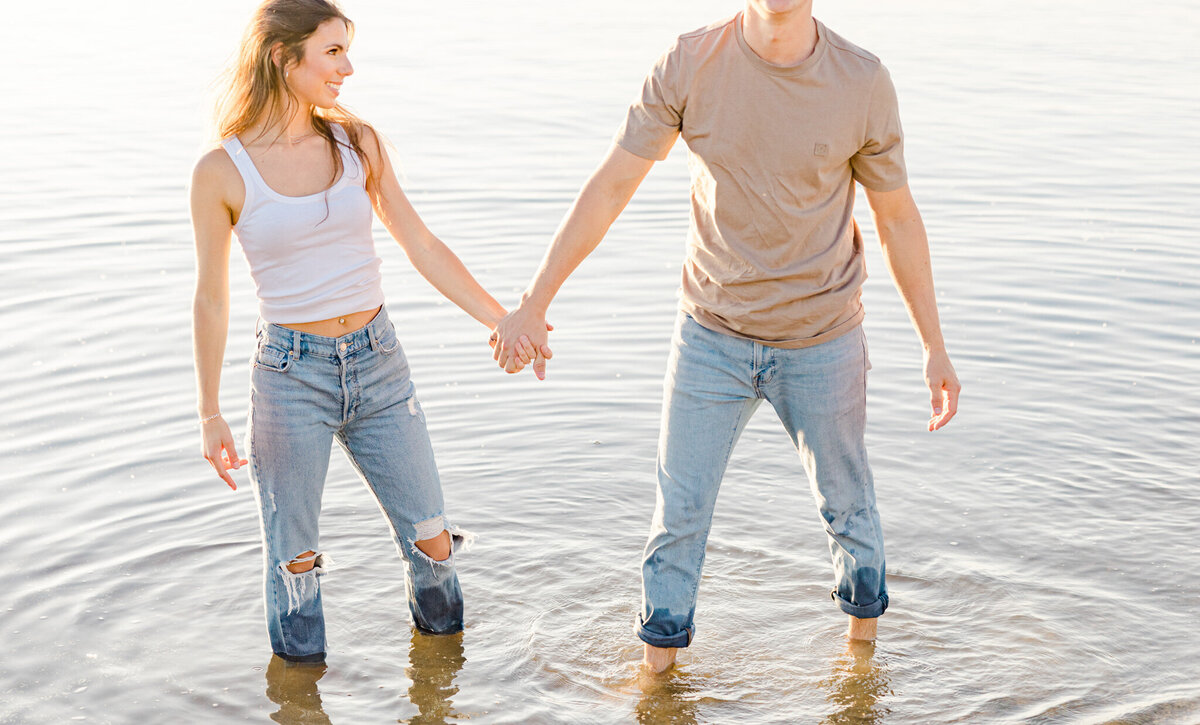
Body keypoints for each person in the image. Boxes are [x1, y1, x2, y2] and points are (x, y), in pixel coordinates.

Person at [492, 0, 960, 673]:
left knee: (848, 507)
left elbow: (898, 220)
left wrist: (934, 345)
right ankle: (655, 681)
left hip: (822, 336)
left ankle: (861, 666)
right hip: (710, 334)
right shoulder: (689, 63)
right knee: (677, 513)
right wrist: (535, 299)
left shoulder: (861, 81)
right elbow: (612, 183)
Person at [190, 0, 545, 664]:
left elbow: (421, 244)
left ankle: (443, 686)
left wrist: (503, 318)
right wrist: (209, 411)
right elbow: (211, 297)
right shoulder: (221, 170)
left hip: (379, 361)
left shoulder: (358, 143)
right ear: (281, 57)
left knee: (432, 539)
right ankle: (301, 694)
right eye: (331, 52)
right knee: (295, 564)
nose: (347, 68)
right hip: (291, 377)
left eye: (346, 51)